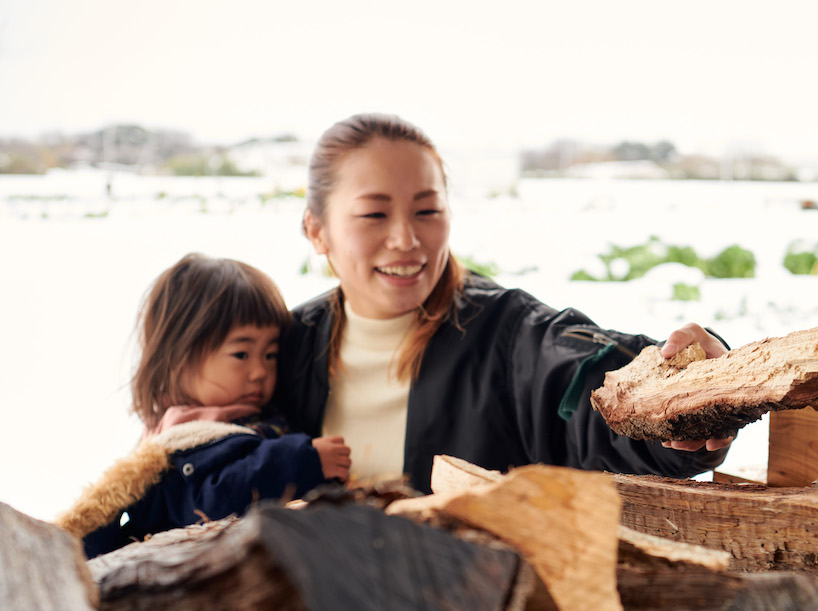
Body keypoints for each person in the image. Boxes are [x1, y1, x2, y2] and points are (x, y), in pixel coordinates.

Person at [276, 112, 733, 495]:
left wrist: (694, 385)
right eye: (374, 214)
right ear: (316, 230)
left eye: (427, 210)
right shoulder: (283, 348)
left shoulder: (509, 335)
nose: (406, 239)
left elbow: (598, 392)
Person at [57, 254, 352, 557]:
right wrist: (304, 461)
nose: (260, 372)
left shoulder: (244, 416)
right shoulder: (183, 440)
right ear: (180, 357)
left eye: (270, 355)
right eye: (241, 354)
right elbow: (212, 500)